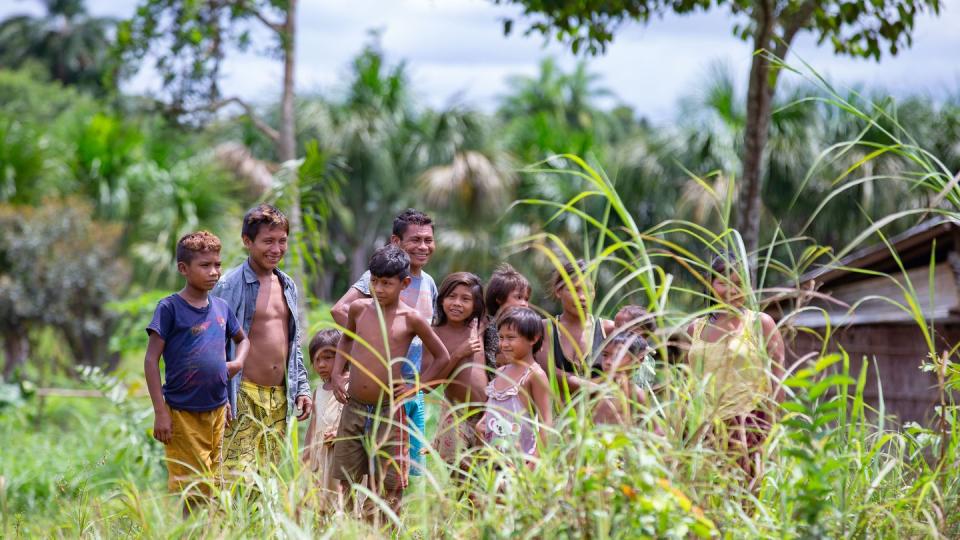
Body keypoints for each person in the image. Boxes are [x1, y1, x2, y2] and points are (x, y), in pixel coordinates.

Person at [329, 244, 450, 516]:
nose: (379, 288)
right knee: (347, 477)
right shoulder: (359, 309)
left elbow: (442, 357)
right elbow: (346, 340)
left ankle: (384, 530)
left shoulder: (412, 319)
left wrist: (415, 387)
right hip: (355, 406)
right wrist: (338, 373)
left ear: (404, 283)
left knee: (389, 481)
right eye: (374, 281)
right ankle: (347, 528)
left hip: (390, 411)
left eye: (386, 283)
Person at [143, 231, 249, 507]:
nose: (214, 272)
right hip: (182, 413)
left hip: (216, 411)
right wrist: (160, 412)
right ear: (183, 269)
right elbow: (151, 360)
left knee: (213, 482)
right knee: (193, 488)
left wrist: (237, 364)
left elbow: (242, 340)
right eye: (205, 265)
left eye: (217, 264)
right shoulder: (169, 308)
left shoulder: (222, 308)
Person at [331, 209, 438, 477]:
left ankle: (391, 519)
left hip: (409, 391)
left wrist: (423, 383)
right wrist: (371, 348)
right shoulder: (378, 277)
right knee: (358, 469)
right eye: (416, 240)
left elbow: (433, 341)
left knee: (402, 472)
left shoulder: (429, 284)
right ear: (396, 241)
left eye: (428, 240)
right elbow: (340, 310)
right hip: (371, 391)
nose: (423, 246)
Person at [211, 204, 312, 475]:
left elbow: (293, 343)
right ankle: (230, 521)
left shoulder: (287, 284)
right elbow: (215, 343)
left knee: (268, 476)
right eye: (268, 241)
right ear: (247, 241)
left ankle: (261, 520)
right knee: (237, 474)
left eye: (282, 241)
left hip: (280, 397)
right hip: (243, 393)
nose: (276, 249)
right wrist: (222, 394)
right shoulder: (230, 285)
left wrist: (302, 387)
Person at [685, 252, 785, 485]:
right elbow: (688, 381)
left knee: (746, 497)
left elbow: (779, 371)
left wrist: (772, 421)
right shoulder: (694, 329)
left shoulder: (760, 323)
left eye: (739, 284)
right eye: (723, 283)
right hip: (705, 425)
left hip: (750, 423)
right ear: (709, 284)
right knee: (707, 496)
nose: (732, 290)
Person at [425, 272, 487, 470]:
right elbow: (429, 384)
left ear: (476, 304)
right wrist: (459, 354)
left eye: (465, 299)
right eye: (452, 296)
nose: (457, 303)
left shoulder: (483, 328)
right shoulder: (434, 333)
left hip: (487, 413)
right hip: (456, 415)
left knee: (487, 473)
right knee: (459, 475)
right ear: (441, 299)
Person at [479, 307, 552, 465]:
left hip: (521, 464)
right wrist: (484, 421)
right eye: (501, 337)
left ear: (533, 338)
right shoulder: (500, 372)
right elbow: (494, 408)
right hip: (493, 462)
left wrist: (532, 466)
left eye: (511, 338)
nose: (504, 344)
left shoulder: (534, 375)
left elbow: (547, 423)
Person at [536, 259, 615, 392]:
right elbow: (550, 372)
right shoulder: (545, 329)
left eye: (588, 290)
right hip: (558, 412)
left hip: (601, 411)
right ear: (558, 291)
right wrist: (598, 389)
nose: (582, 297)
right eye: (574, 289)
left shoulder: (608, 329)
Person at [302, 328, 345, 506]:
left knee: (342, 501)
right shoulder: (317, 391)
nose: (321, 365)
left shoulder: (350, 387)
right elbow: (313, 427)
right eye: (317, 359)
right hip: (320, 455)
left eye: (327, 358)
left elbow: (357, 421)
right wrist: (306, 455)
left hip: (342, 455)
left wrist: (341, 435)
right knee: (321, 503)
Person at [482, 263, 532, 375]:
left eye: (526, 299)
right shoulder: (487, 325)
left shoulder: (526, 328)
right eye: (518, 297)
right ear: (499, 298)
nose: (524, 304)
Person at [592, 334, 649, 425]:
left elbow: (655, 429)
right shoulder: (594, 386)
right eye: (605, 355)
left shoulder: (635, 394)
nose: (608, 362)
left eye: (617, 356)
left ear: (638, 361)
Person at [612, 304, 658, 389]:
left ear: (640, 333)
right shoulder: (612, 350)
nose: (615, 332)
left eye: (621, 328)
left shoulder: (645, 362)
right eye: (615, 327)